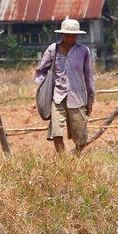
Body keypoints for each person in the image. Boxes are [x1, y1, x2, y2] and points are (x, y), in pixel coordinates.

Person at [34, 18, 96, 154]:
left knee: (81, 138)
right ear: (62, 35)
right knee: (56, 134)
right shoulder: (53, 50)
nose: (70, 38)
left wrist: (90, 99)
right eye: (67, 35)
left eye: (73, 35)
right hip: (58, 98)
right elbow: (40, 71)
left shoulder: (84, 51)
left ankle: (75, 157)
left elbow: (89, 75)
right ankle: (63, 162)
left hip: (77, 99)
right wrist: (44, 89)